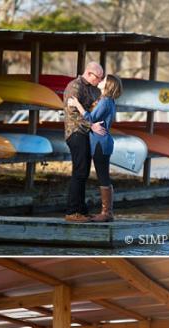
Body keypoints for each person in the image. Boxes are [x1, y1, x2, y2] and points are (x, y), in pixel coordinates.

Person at [68, 75, 123, 222]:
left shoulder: (105, 101)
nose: (100, 81)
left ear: (108, 85)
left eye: (103, 80)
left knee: (103, 176)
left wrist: (77, 103)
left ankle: (107, 213)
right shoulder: (108, 100)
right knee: (103, 175)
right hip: (103, 142)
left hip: (100, 143)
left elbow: (90, 118)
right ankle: (107, 212)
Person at [63, 62, 105, 223]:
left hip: (86, 133)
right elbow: (72, 113)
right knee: (79, 171)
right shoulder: (75, 86)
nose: (99, 81)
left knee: (84, 172)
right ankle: (72, 211)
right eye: (98, 78)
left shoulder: (93, 88)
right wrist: (92, 125)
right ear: (89, 73)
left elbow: (92, 109)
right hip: (75, 133)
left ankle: (81, 209)